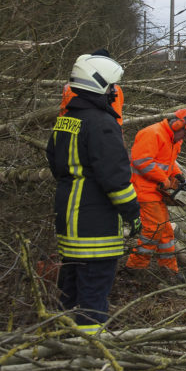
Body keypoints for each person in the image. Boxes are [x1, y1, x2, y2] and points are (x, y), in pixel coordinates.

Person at [47, 52, 140, 334]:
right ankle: (88, 353)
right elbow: (117, 181)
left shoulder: (66, 120)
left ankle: (63, 341)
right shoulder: (102, 124)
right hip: (94, 227)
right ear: (97, 84)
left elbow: (54, 162)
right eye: (112, 86)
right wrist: (133, 214)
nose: (114, 92)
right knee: (93, 298)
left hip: (68, 221)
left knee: (70, 291)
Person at [125, 107, 186, 275]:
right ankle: (135, 266)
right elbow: (141, 161)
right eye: (185, 133)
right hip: (143, 189)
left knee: (165, 231)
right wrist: (164, 179)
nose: (185, 137)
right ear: (177, 125)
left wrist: (179, 177)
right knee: (154, 228)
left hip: (156, 191)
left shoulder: (174, 140)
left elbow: (168, 162)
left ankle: (169, 268)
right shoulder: (153, 133)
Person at [59, 49, 123, 126]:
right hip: (97, 125)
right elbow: (117, 113)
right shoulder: (113, 88)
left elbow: (63, 110)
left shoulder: (70, 85)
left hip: (69, 124)